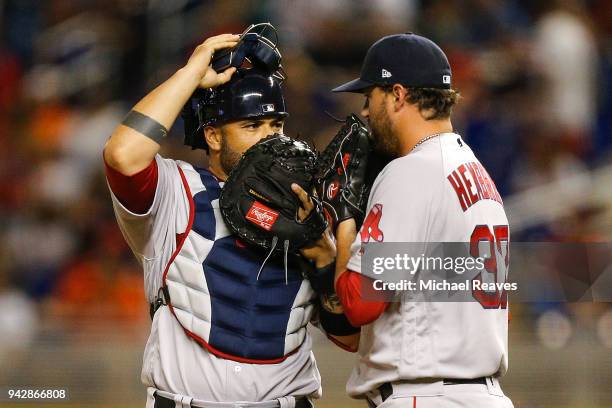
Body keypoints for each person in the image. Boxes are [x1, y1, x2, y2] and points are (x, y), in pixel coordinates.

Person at [103, 33, 358, 408]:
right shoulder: (177, 192)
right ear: (213, 136)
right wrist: (191, 74)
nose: (270, 138)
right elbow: (122, 154)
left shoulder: (313, 206)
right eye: (252, 126)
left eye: (276, 125)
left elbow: (349, 337)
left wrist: (324, 260)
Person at [330, 33, 514, 408]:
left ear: (398, 94)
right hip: (478, 393)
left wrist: (344, 221)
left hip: (427, 394)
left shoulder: (412, 172)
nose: (365, 111)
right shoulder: (477, 174)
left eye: (370, 96)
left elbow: (360, 304)